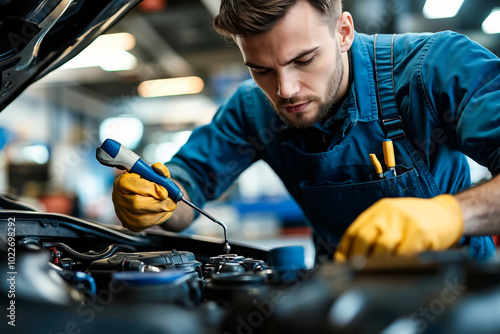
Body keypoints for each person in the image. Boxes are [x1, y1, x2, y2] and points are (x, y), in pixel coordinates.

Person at [112, 0, 500, 262]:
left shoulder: (436, 67)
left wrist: (450, 215)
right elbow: (185, 193)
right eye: (261, 69)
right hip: (338, 303)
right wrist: (153, 201)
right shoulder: (251, 110)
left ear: (344, 32)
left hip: (458, 298)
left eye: (304, 59)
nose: (285, 90)